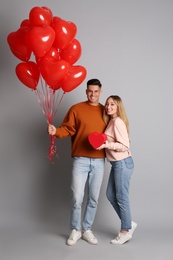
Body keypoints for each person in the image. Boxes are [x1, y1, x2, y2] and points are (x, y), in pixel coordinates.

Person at [48, 78, 106, 246]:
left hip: (99, 161)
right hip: (80, 159)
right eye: (90, 91)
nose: (93, 94)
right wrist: (55, 131)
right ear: (86, 91)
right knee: (77, 196)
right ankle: (75, 229)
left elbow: (113, 131)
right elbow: (67, 129)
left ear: (100, 92)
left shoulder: (105, 111)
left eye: (96, 91)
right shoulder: (76, 109)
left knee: (93, 198)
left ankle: (87, 229)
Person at [97, 95, 137, 245]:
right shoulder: (112, 121)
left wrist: (106, 145)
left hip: (122, 163)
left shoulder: (118, 122)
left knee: (121, 197)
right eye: (107, 104)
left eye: (112, 104)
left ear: (118, 106)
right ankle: (129, 223)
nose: (108, 107)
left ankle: (125, 231)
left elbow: (125, 145)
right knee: (110, 195)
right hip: (117, 164)